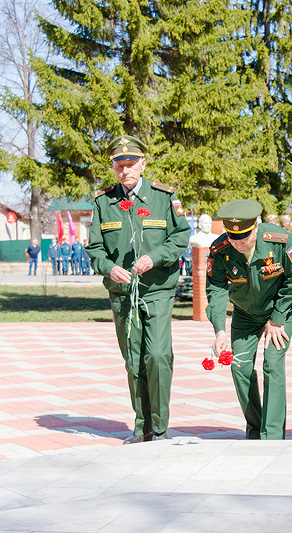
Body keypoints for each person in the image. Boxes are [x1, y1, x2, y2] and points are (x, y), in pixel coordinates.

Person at [86, 134, 191, 444]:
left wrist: (154, 257)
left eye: (131, 164)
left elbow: (180, 237)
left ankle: (160, 427)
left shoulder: (163, 197)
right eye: (119, 165)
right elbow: (95, 247)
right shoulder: (103, 202)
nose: (125, 171)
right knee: (133, 359)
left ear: (143, 164)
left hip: (156, 289)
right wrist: (109, 268)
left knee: (157, 356)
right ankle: (142, 427)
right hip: (122, 293)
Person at [206, 199, 292, 439]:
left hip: (280, 310)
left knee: (272, 362)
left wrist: (277, 319)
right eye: (232, 237)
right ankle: (255, 429)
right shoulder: (220, 250)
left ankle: (272, 436)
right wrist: (220, 330)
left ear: (257, 227)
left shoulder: (279, 241)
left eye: (245, 237)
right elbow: (216, 291)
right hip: (245, 313)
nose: (238, 243)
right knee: (239, 365)